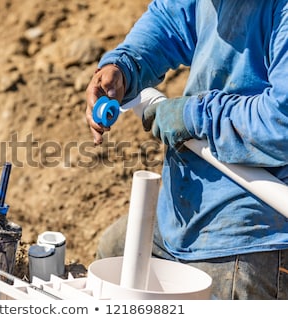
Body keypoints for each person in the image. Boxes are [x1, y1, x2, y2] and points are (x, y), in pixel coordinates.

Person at [85, 0, 288, 300]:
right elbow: (171, 18)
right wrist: (124, 66)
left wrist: (195, 116)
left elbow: (281, 124)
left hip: (252, 230)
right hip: (185, 207)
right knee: (114, 253)